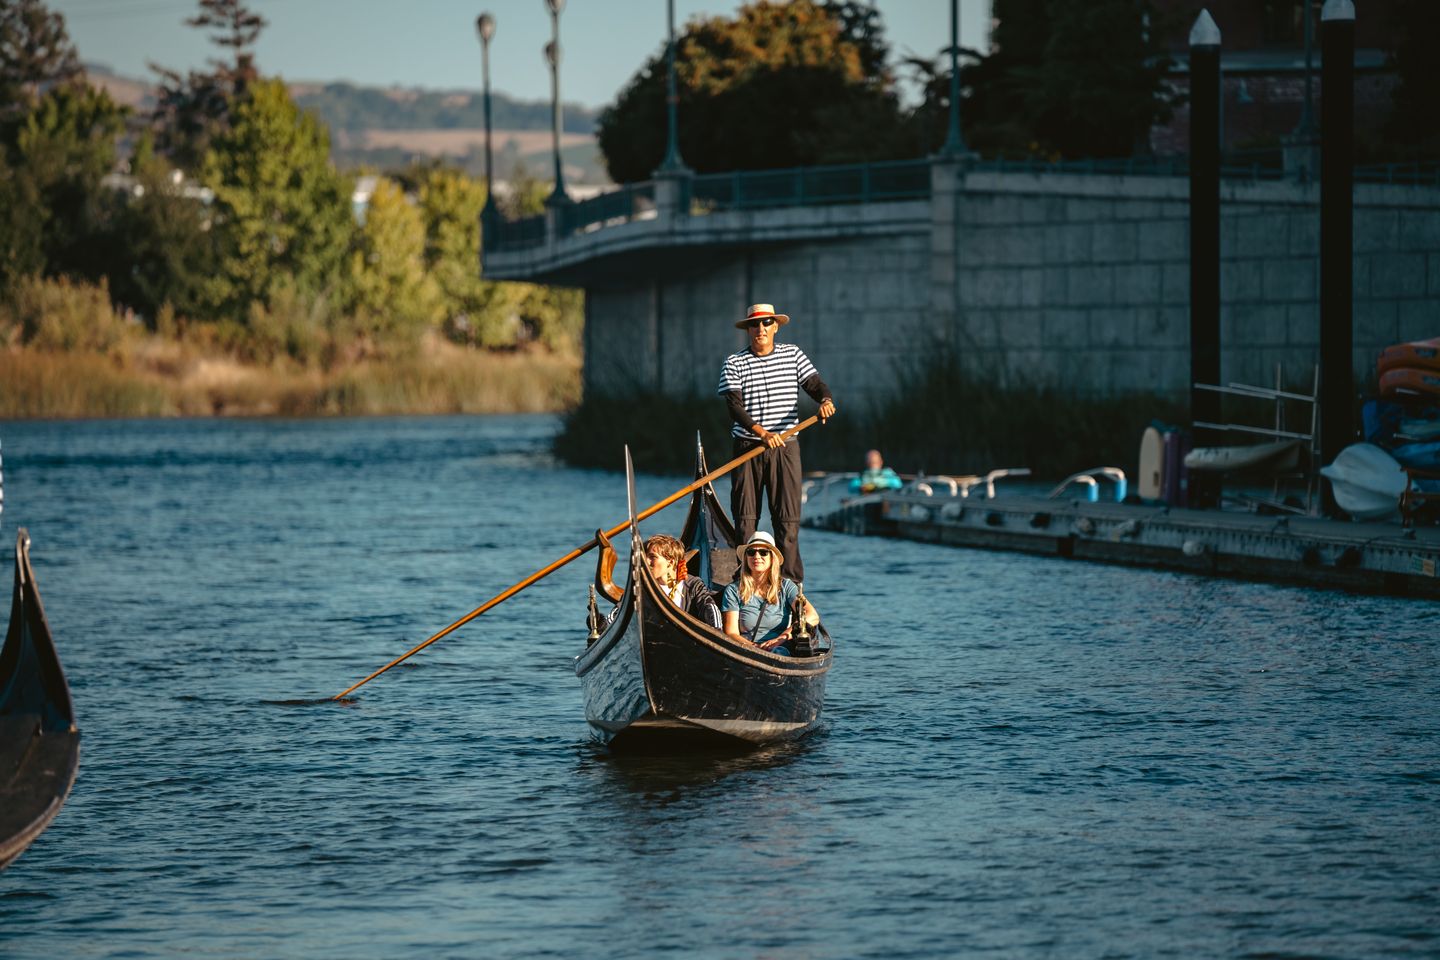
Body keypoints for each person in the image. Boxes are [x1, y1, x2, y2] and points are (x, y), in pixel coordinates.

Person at [717, 303, 835, 586]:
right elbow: (734, 407)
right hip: (748, 448)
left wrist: (826, 400)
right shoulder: (734, 362)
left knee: (787, 522)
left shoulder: (793, 355)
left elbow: (815, 384)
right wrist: (762, 432)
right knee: (745, 521)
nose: (761, 329)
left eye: (766, 323)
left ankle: (791, 588)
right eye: (755, 325)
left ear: (775, 327)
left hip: (786, 448)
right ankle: (744, 586)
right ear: (748, 329)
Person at [721, 531, 818, 657]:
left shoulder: (786, 587)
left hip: (780, 648)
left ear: (772, 558)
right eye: (751, 552)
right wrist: (754, 648)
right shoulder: (733, 590)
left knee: (780, 653)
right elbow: (731, 632)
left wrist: (781, 639)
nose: (756, 556)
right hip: (746, 650)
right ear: (746, 558)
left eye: (763, 552)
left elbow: (812, 615)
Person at [642, 534, 721, 629]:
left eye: (652, 557)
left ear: (670, 562)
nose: (646, 561)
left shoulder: (692, 585)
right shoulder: (641, 586)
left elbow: (710, 608)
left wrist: (717, 631)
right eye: (646, 557)